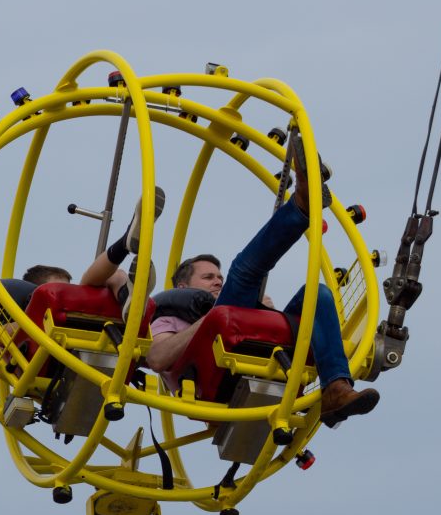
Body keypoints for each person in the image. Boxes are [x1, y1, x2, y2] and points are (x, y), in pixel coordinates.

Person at [145, 151, 379, 428]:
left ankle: (335, 389)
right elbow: (157, 358)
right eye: (208, 277)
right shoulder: (169, 316)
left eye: (219, 277)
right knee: (245, 271)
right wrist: (209, 317)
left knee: (318, 294)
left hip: (263, 359)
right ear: (182, 287)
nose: (218, 281)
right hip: (211, 379)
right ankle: (301, 207)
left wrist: (265, 312)